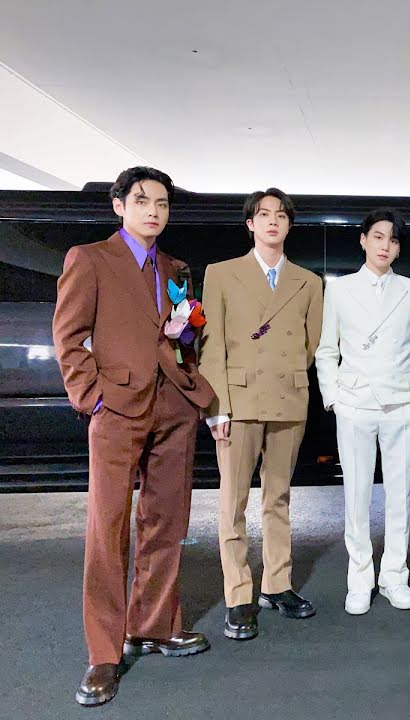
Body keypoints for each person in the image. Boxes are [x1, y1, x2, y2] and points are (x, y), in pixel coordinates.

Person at [53, 166, 215, 707]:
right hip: (117, 408)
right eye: (143, 201)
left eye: (162, 204)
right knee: (107, 527)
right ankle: (103, 651)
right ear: (119, 206)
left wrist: (188, 344)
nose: (154, 211)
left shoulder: (175, 268)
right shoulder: (90, 258)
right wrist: (92, 396)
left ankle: (156, 625)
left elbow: (184, 337)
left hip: (173, 406)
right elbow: (69, 337)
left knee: (167, 520)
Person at [198, 188, 324, 641]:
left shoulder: (308, 281)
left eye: (281, 215)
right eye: (264, 214)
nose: (273, 221)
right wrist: (217, 408)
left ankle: (277, 584)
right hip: (238, 401)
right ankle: (238, 595)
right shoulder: (221, 274)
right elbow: (211, 345)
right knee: (233, 501)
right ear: (250, 223)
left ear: (289, 224)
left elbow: (311, 343)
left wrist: (284, 374)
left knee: (279, 497)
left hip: (288, 398)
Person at [315, 208, 410, 615]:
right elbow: (326, 350)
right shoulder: (340, 290)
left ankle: (395, 576)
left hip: (401, 404)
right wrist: (334, 399)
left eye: (393, 240)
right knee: (357, 496)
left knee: (400, 496)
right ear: (363, 240)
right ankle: (360, 579)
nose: (385, 246)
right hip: (355, 405)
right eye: (378, 237)